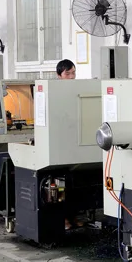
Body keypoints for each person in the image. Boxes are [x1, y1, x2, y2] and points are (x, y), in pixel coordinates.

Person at [56, 59, 80, 229]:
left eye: (73, 73)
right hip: (60, 145)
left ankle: (73, 216)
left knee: (74, 184)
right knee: (60, 186)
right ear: (59, 75)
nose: (71, 76)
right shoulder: (54, 91)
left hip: (74, 143)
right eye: (67, 73)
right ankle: (63, 219)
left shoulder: (78, 90)